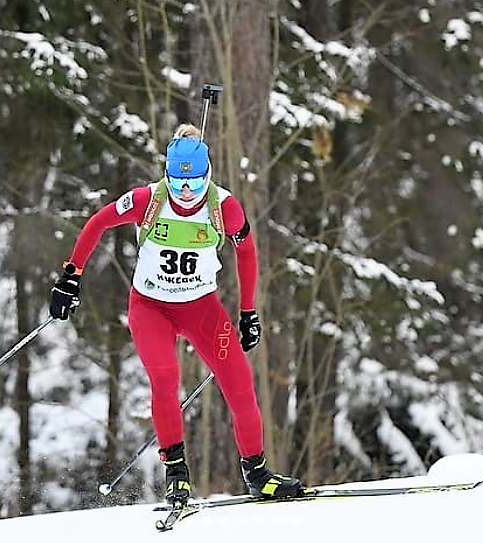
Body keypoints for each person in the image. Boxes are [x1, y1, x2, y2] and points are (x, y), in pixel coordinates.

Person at [49, 124, 305, 506]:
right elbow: (98, 222)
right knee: (165, 380)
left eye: (195, 183)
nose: (186, 193)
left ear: (208, 175)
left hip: (202, 310)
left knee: (240, 386)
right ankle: (177, 476)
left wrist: (248, 312)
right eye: (178, 182)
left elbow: (247, 252)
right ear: (167, 173)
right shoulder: (147, 200)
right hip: (151, 308)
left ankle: (257, 474)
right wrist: (71, 276)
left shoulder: (224, 207)